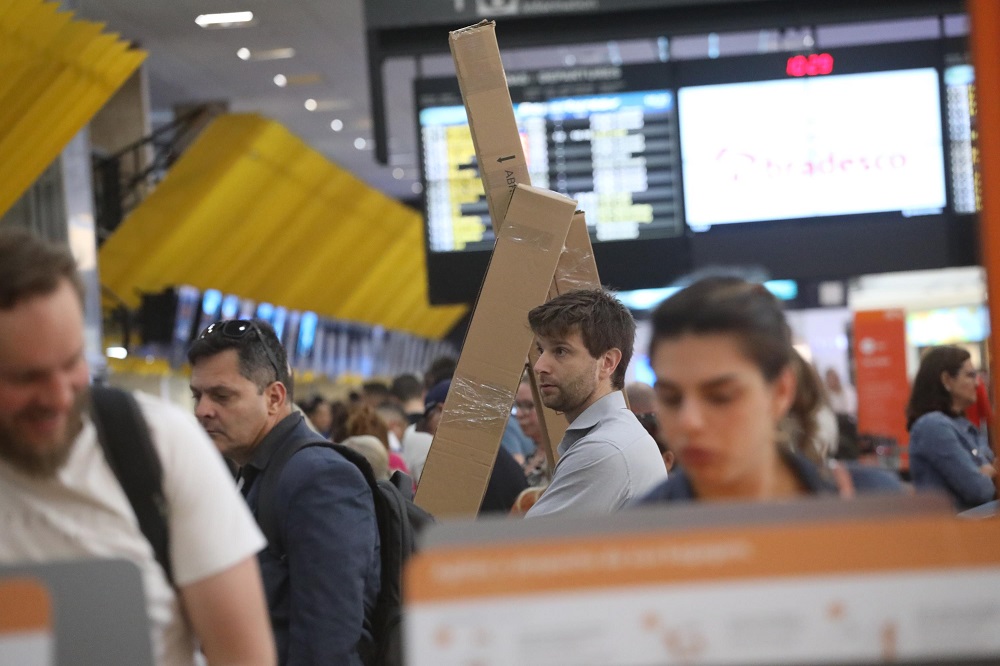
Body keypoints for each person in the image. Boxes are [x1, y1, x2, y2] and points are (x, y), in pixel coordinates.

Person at [0, 229, 275, 665]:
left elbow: (244, 657)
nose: (58, 396)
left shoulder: (156, 447)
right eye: (25, 377)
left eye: (72, 363)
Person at [188, 319, 380, 666]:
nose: (203, 410)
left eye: (221, 395)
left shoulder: (319, 478)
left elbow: (328, 643)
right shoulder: (260, 470)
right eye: (197, 395)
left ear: (274, 397)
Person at [638, 277, 901, 504]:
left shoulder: (874, 504)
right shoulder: (639, 535)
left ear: (781, 391)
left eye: (721, 397)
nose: (689, 422)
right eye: (671, 398)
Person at [524, 289, 666, 517]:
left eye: (560, 351)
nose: (540, 365)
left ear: (608, 362)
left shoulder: (604, 449)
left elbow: (526, 549)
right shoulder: (615, 437)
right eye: (541, 350)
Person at [906, 346, 997, 511]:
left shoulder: (962, 425)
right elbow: (978, 490)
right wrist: (990, 470)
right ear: (947, 380)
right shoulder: (933, 426)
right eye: (970, 375)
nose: (978, 383)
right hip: (952, 530)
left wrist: (985, 471)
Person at [422, 379, 528, 514]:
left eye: (429, 420)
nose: (430, 432)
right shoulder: (486, 450)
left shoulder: (469, 455)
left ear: (443, 410)